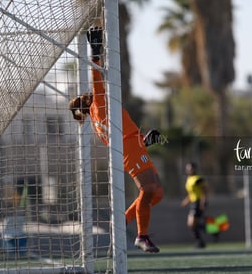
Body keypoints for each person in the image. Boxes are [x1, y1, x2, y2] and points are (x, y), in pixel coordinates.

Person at [69, 27, 164, 253]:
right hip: (132, 152)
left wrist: (144, 140)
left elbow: (120, 137)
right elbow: (96, 77)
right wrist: (95, 50)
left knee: (156, 193)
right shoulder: (99, 104)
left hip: (133, 148)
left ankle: (120, 222)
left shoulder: (96, 118)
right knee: (149, 189)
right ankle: (142, 236)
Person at [181, 162, 207, 248]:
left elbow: (204, 191)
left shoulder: (198, 179)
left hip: (198, 202)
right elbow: (191, 193)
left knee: (192, 223)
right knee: (192, 224)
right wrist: (186, 201)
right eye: (188, 168)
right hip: (193, 203)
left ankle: (211, 229)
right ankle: (201, 241)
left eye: (191, 168)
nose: (189, 170)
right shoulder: (189, 179)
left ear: (194, 169)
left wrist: (203, 203)